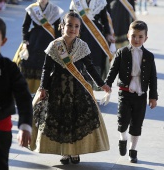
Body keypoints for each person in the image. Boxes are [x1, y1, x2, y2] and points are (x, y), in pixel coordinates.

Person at [29, 11, 110, 165]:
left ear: (80, 29)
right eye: (69, 25)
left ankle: (76, 151)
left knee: (76, 121)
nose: (73, 28)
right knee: (61, 121)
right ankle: (66, 152)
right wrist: (42, 87)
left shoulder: (83, 46)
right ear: (62, 26)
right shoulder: (54, 45)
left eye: (76, 26)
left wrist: (101, 83)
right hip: (57, 88)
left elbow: (90, 68)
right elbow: (46, 68)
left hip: (78, 89)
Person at [105, 20, 158, 163]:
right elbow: (113, 70)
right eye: (134, 35)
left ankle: (133, 150)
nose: (136, 39)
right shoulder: (122, 53)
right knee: (122, 121)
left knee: (136, 124)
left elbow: (153, 77)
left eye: (140, 36)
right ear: (128, 35)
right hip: (125, 92)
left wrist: (153, 97)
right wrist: (107, 85)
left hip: (141, 94)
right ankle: (123, 138)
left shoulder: (149, 56)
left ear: (146, 38)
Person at [0, 17, 33, 170]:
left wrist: (25, 126)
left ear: (3, 41)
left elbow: (24, 97)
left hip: (0, 128)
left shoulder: (9, 69)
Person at [14, 0, 64, 94]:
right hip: (34, 40)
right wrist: (25, 41)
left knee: (46, 64)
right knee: (27, 63)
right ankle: (26, 90)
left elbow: (58, 29)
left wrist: (58, 43)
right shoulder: (32, 8)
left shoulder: (54, 9)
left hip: (48, 40)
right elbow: (25, 26)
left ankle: (43, 90)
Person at [69, 0, 115, 90]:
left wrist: (108, 33)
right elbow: (70, 18)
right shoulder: (76, 2)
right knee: (79, 59)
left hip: (96, 37)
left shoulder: (100, 2)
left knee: (94, 60)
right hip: (80, 34)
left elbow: (104, 20)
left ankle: (92, 89)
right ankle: (81, 89)